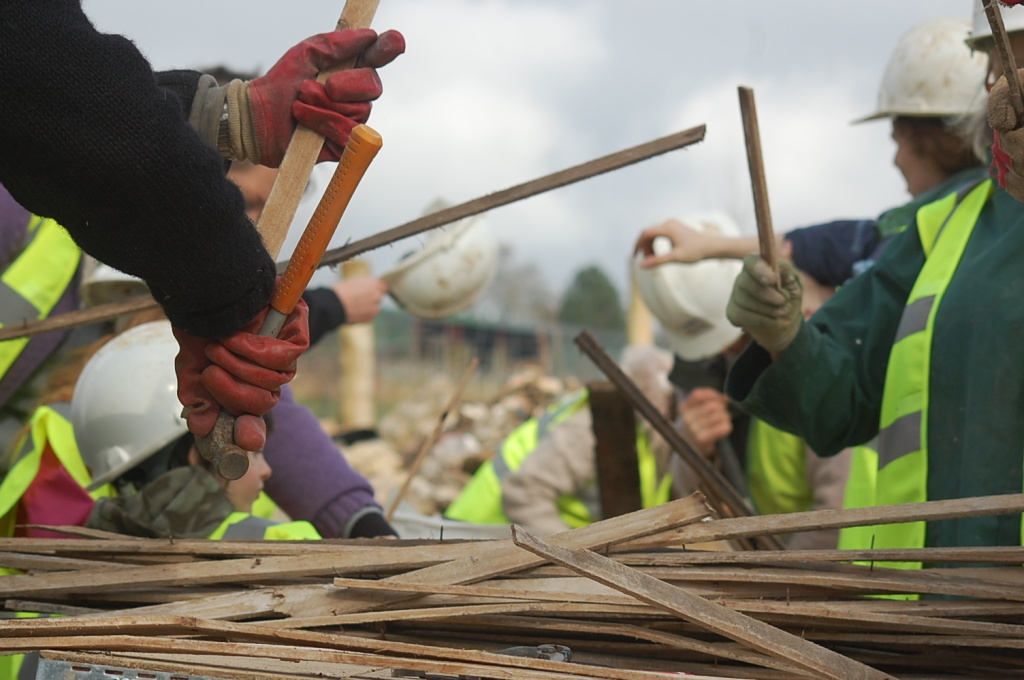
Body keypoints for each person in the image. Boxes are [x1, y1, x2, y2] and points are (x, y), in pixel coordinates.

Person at [0, 2, 405, 454]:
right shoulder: (25, 218)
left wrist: (227, 117)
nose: (248, 226)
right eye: (242, 202)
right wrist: (227, 285)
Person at [722, 6, 1024, 561]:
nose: (1005, 86)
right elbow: (843, 398)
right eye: (999, 63)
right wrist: (785, 335)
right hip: (950, 617)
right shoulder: (944, 229)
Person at [444, 344, 717, 536]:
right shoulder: (596, 423)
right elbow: (523, 492)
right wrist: (577, 562)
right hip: (476, 534)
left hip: (502, 539)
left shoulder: (653, 436)